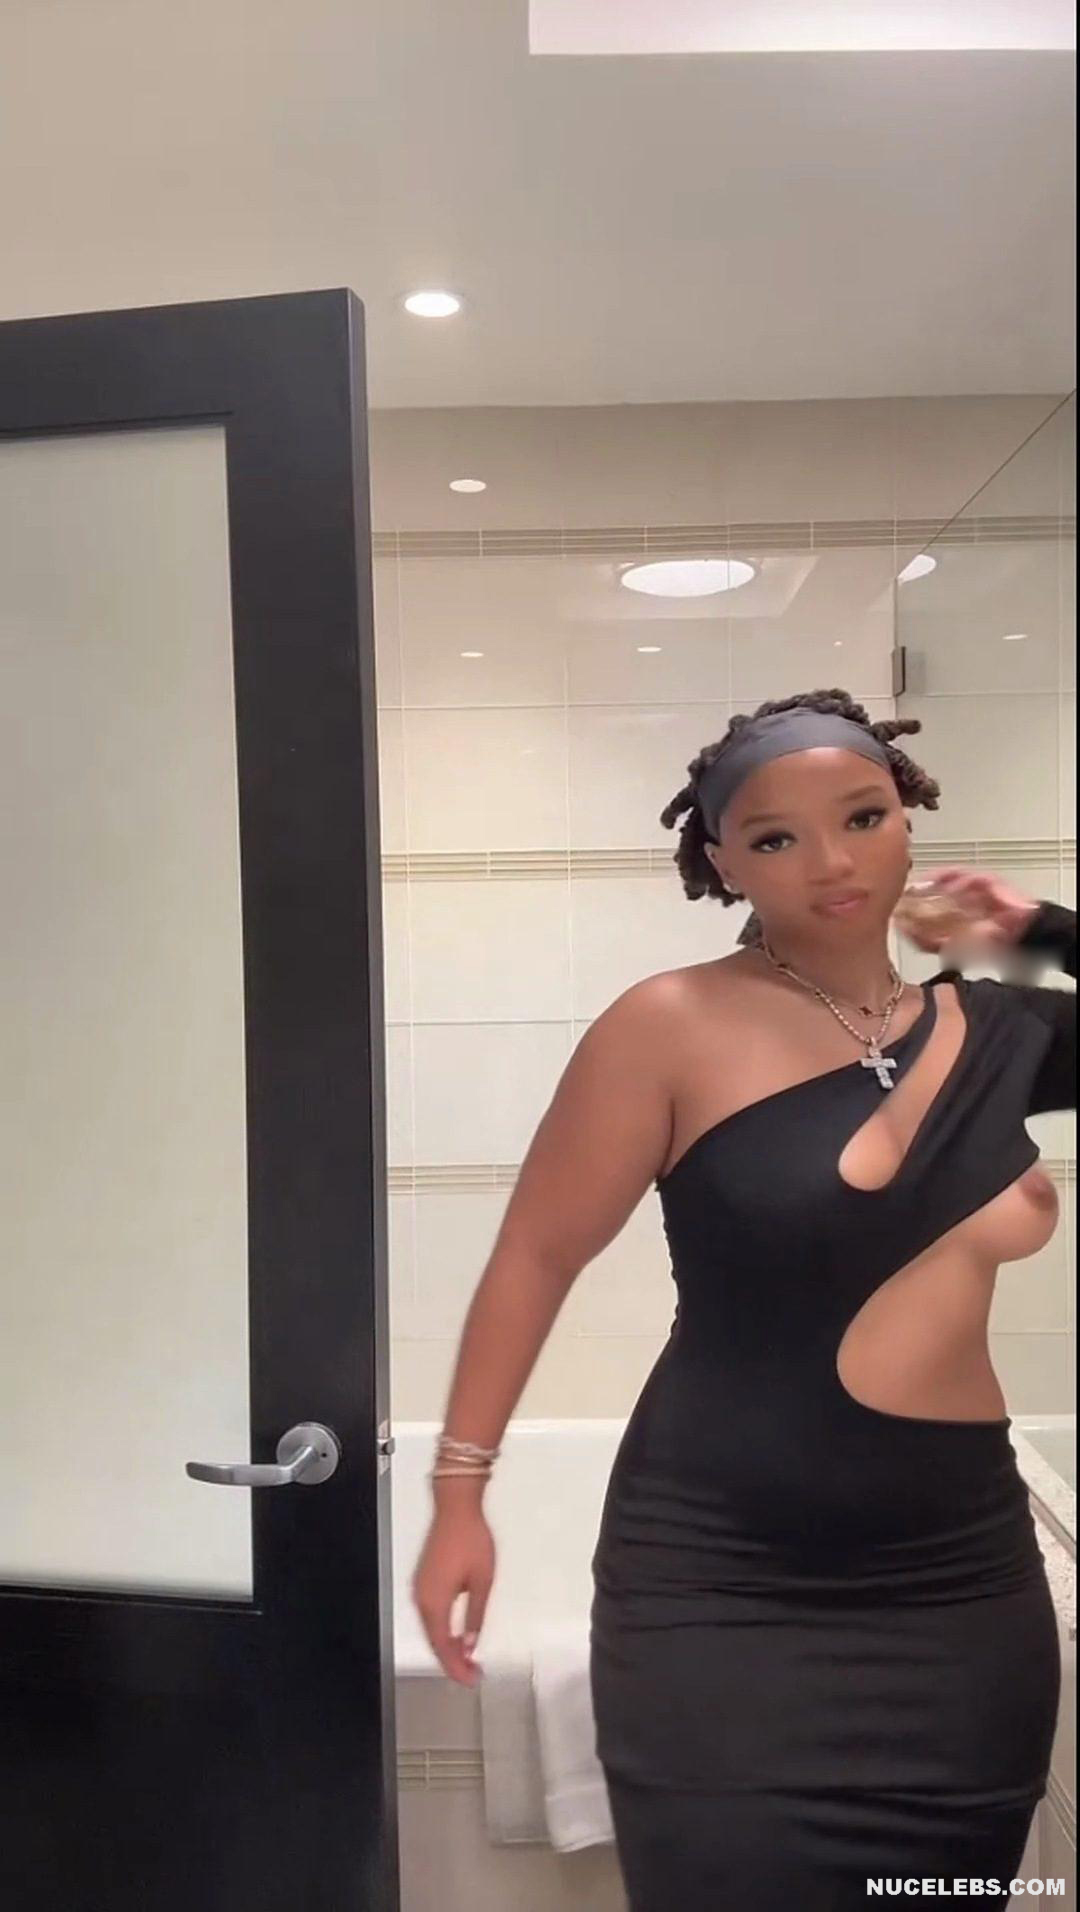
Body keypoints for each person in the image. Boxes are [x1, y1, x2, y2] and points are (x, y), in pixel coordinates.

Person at [410, 688, 1075, 1908]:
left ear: (910, 817)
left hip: (961, 1597)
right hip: (721, 1590)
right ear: (722, 862)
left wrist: (1037, 928)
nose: (832, 862)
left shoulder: (1000, 1028)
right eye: (775, 836)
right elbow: (535, 1257)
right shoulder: (668, 1026)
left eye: (863, 816)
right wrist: (461, 1494)